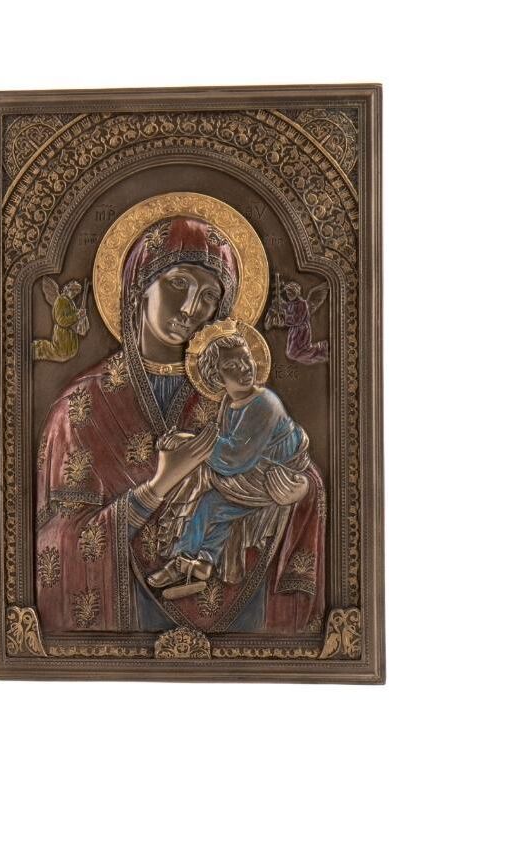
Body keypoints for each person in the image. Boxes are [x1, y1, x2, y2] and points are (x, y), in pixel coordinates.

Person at [34, 212, 325, 634]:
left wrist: (300, 490)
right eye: (178, 284)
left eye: (208, 297)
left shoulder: (232, 392)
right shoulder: (81, 405)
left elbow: (297, 469)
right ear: (140, 287)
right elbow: (57, 544)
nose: (191, 309)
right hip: (126, 612)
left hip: (239, 608)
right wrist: (158, 486)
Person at [148, 326, 313, 593]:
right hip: (249, 473)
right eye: (232, 366)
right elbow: (226, 444)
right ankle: (202, 563)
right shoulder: (229, 402)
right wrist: (188, 442)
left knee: (206, 498)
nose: (245, 368)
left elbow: (234, 457)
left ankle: (182, 561)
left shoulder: (265, 403)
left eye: (246, 359)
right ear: (217, 376)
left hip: (272, 476)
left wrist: (188, 441)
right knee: (210, 498)